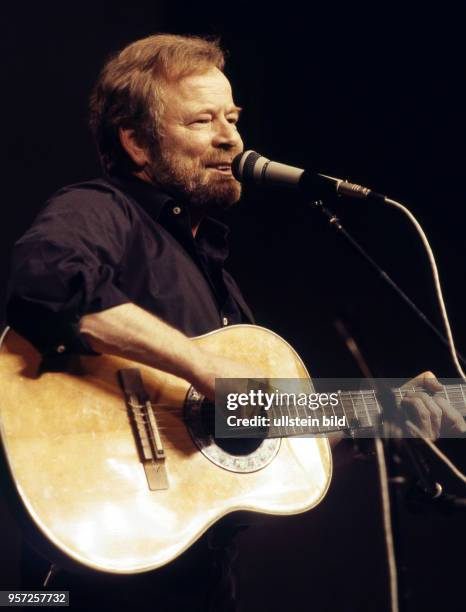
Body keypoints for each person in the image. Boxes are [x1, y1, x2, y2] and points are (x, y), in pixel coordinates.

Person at [5, 33, 465, 611]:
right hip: (88, 584)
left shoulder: (219, 282)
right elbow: (45, 282)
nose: (232, 138)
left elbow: (253, 439)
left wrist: (382, 415)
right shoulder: (100, 208)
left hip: (199, 584)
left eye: (233, 117)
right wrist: (205, 366)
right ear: (137, 142)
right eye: (203, 120)